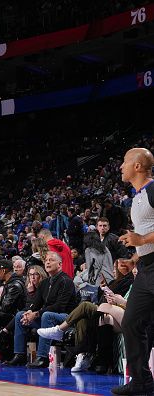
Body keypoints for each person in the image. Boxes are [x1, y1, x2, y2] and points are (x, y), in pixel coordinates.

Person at [111, 148, 154, 395]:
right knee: (131, 322)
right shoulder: (136, 197)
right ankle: (142, 382)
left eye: (125, 161)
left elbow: (146, 235)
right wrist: (137, 255)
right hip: (146, 266)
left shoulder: (153, 190)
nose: (121, 167)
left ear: (137, 166)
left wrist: (142, 238)